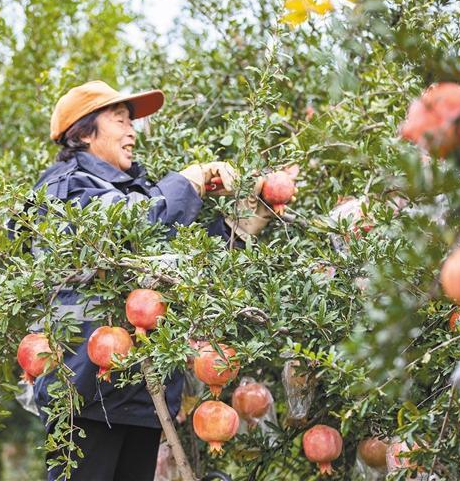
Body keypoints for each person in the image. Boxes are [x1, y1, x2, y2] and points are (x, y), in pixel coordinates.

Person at [26, 81, 278, 480]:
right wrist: (188, 181)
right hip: (85, 389)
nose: (132, 132)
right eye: (120, 121)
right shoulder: (66, 188)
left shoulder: (140, 191)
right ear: (85, 133)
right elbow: (129, 225)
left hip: (143, 393)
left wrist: (238, 228)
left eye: (132, 123)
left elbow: (180, 265)